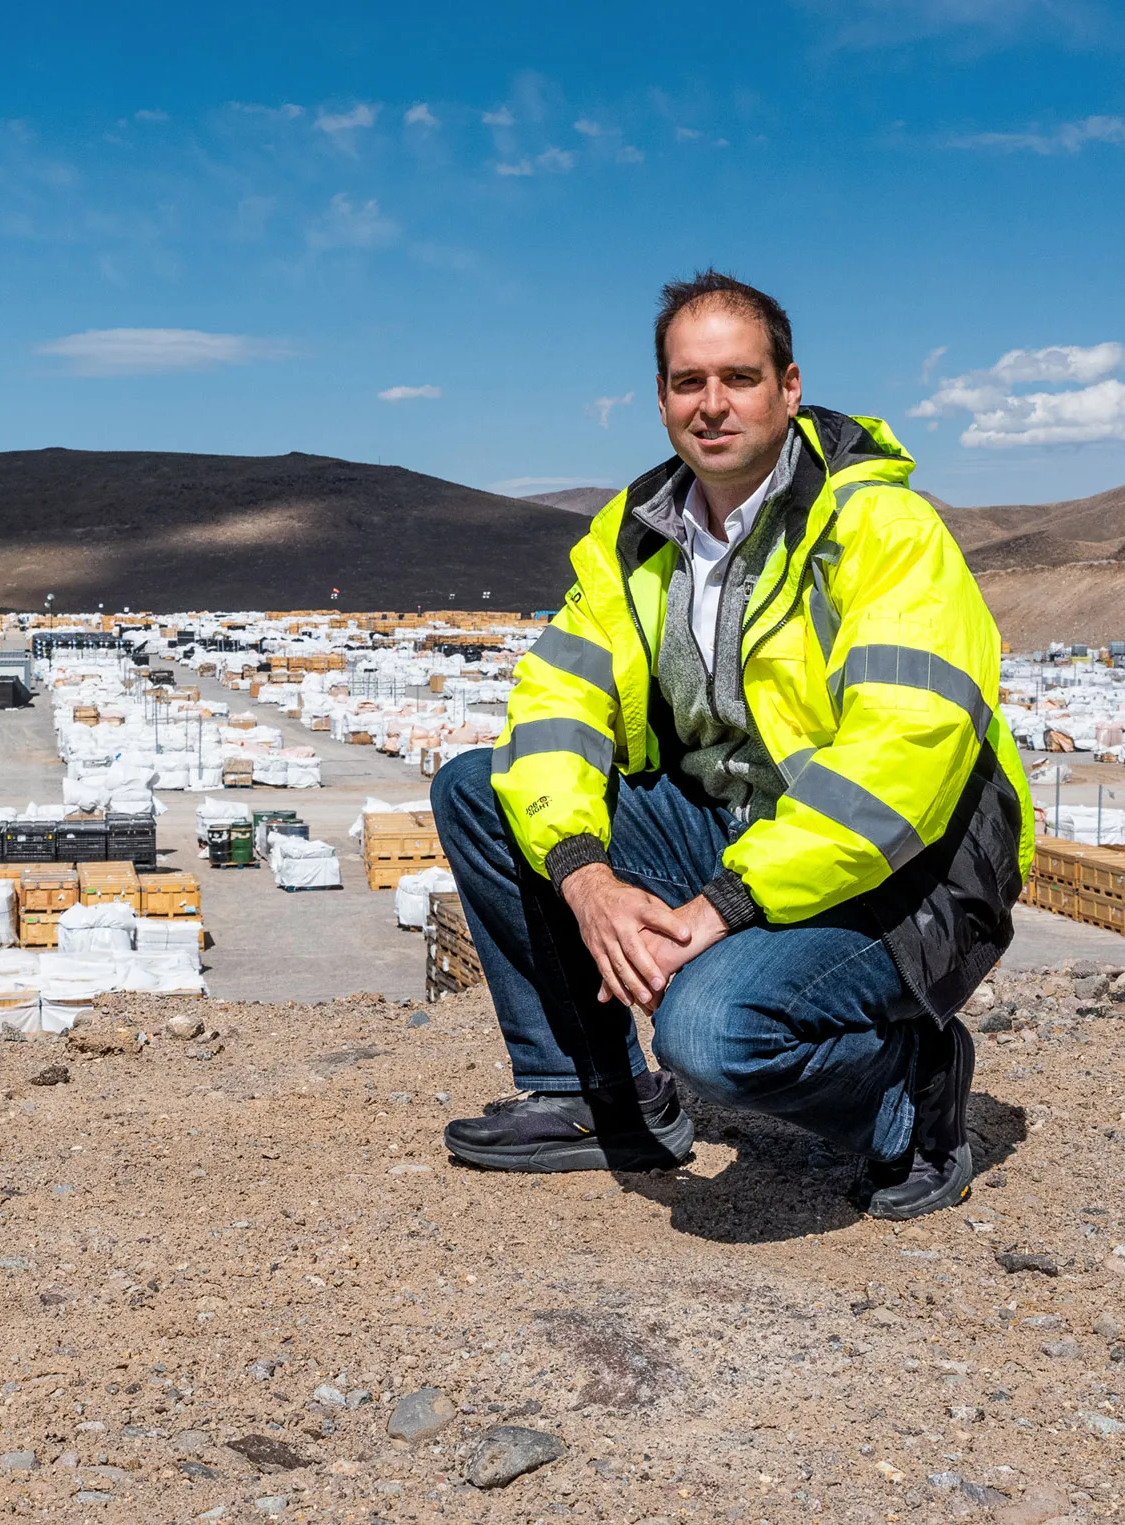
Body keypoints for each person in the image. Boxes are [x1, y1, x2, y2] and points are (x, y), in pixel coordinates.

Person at [433, 270, 1033, 1220]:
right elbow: (555, 703)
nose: (712, 406)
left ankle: (909, 1096)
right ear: (662, 398)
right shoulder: (639, 540)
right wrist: (586, 872)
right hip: (740, 831)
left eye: (739, 378)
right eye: (687, 382)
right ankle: (599, 1102)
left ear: (788, 389)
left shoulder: (881, 529)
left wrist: (725, 902)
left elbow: (900, 760)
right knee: (481, 787)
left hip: (907, 869)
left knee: (709, 1031)